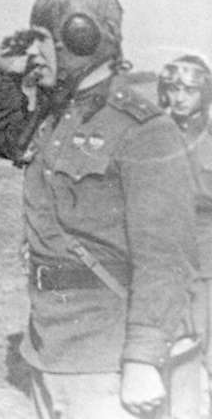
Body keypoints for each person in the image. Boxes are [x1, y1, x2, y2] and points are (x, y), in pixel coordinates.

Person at [0, 0, 199, 418]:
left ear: (81, 38)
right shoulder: (54, 116)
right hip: (49, 343)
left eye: (41, 40)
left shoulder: (144, 129)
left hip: (107, 353)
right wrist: (4, 75)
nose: (32, 53)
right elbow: (6, 140)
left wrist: (142, 357)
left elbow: (165, 256)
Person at [157, 54, 212, 417]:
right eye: (173, 89)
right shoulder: (155, 134)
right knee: (178, 347)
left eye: (189, 91)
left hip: (208, 252)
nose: (179, 98)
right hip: (168, 254)